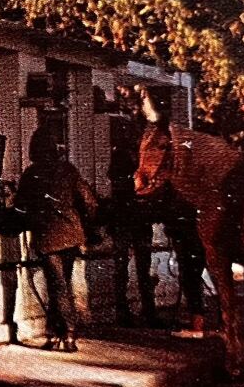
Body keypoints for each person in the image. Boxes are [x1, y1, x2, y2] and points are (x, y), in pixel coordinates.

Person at [15, 131, 99, 351]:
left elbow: (20, 206)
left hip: (49, 235)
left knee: (57, 285)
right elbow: (89, 200)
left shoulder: (31, 173)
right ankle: (56, 333)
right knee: (61, 283)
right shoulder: (68, 170)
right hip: (71, 233)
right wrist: (85, 220)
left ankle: (67, 332)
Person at [106, 117, 159, 326]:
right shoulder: (122, 155)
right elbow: (116, 180)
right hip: (129, 216)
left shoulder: (136, 156)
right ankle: (128, 310)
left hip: (134, 217)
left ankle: (142, 310)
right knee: (127, 267)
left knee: (137, 267)